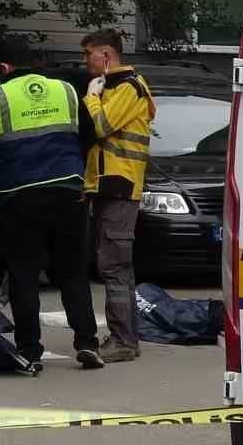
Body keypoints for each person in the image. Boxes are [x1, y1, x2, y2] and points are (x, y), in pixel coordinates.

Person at [0, 39, 104, 373]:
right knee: (72, 271)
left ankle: (30, 350)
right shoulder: (67, 91)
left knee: (24, 273)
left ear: (3, 68)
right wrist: (70, 167)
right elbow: (89, 135)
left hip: (19, 196)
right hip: (67, 191)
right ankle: (87, 343)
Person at [80, 28, 156, 364]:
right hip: (111, 187)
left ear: (107, 55)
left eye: (89, 54)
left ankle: (124, 341)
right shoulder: (118, 87)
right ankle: (126, 336)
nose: (86, 61)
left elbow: (101, 127)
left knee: (114, 266)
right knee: (116, 265)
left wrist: (91, 97)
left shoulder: (127, 87)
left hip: (121, 187)